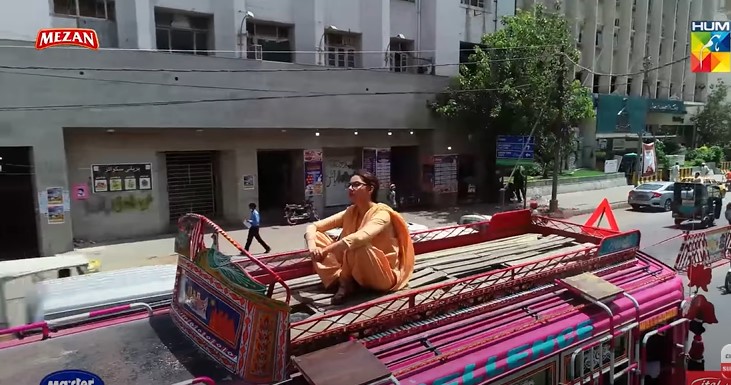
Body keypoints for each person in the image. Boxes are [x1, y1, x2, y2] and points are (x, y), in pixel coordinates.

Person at [304, 170, 415, 305]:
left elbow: (360, 238)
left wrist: (326, 251)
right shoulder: (351, 211)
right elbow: (313, 227)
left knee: (357, 244)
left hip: (382, 275)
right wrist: (313, 248)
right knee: (316, 236)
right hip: (355, 272)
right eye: (349, 185)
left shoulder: (382, 214)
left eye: (356, 185)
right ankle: (340, 279)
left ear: (370, 189)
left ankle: (345, 284)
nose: (350, 188)